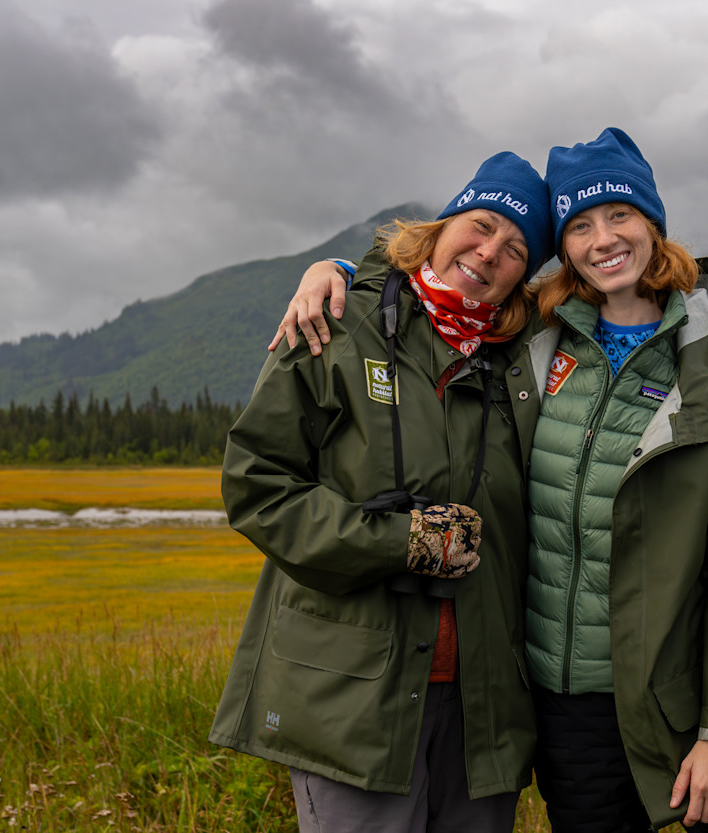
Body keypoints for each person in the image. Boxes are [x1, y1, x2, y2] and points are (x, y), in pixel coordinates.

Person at [278, 129, 708, 832]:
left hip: (686, 701)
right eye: (580, 225)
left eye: (620, 214)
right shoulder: (527, 352)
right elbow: (432, 290)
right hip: (572, 712)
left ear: (654, 226)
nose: (603, 237)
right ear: (568, 251)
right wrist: (338, 267)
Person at [211, 151, 553, 833]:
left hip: (481, 708)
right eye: (481, 225)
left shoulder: (521, 360)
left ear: (526, 275)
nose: (489, 253)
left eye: (515, 249)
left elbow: (631, 321)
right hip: (352, 699)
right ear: (444, 222)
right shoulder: (337, 322)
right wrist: (404, 541)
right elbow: (257, 486)